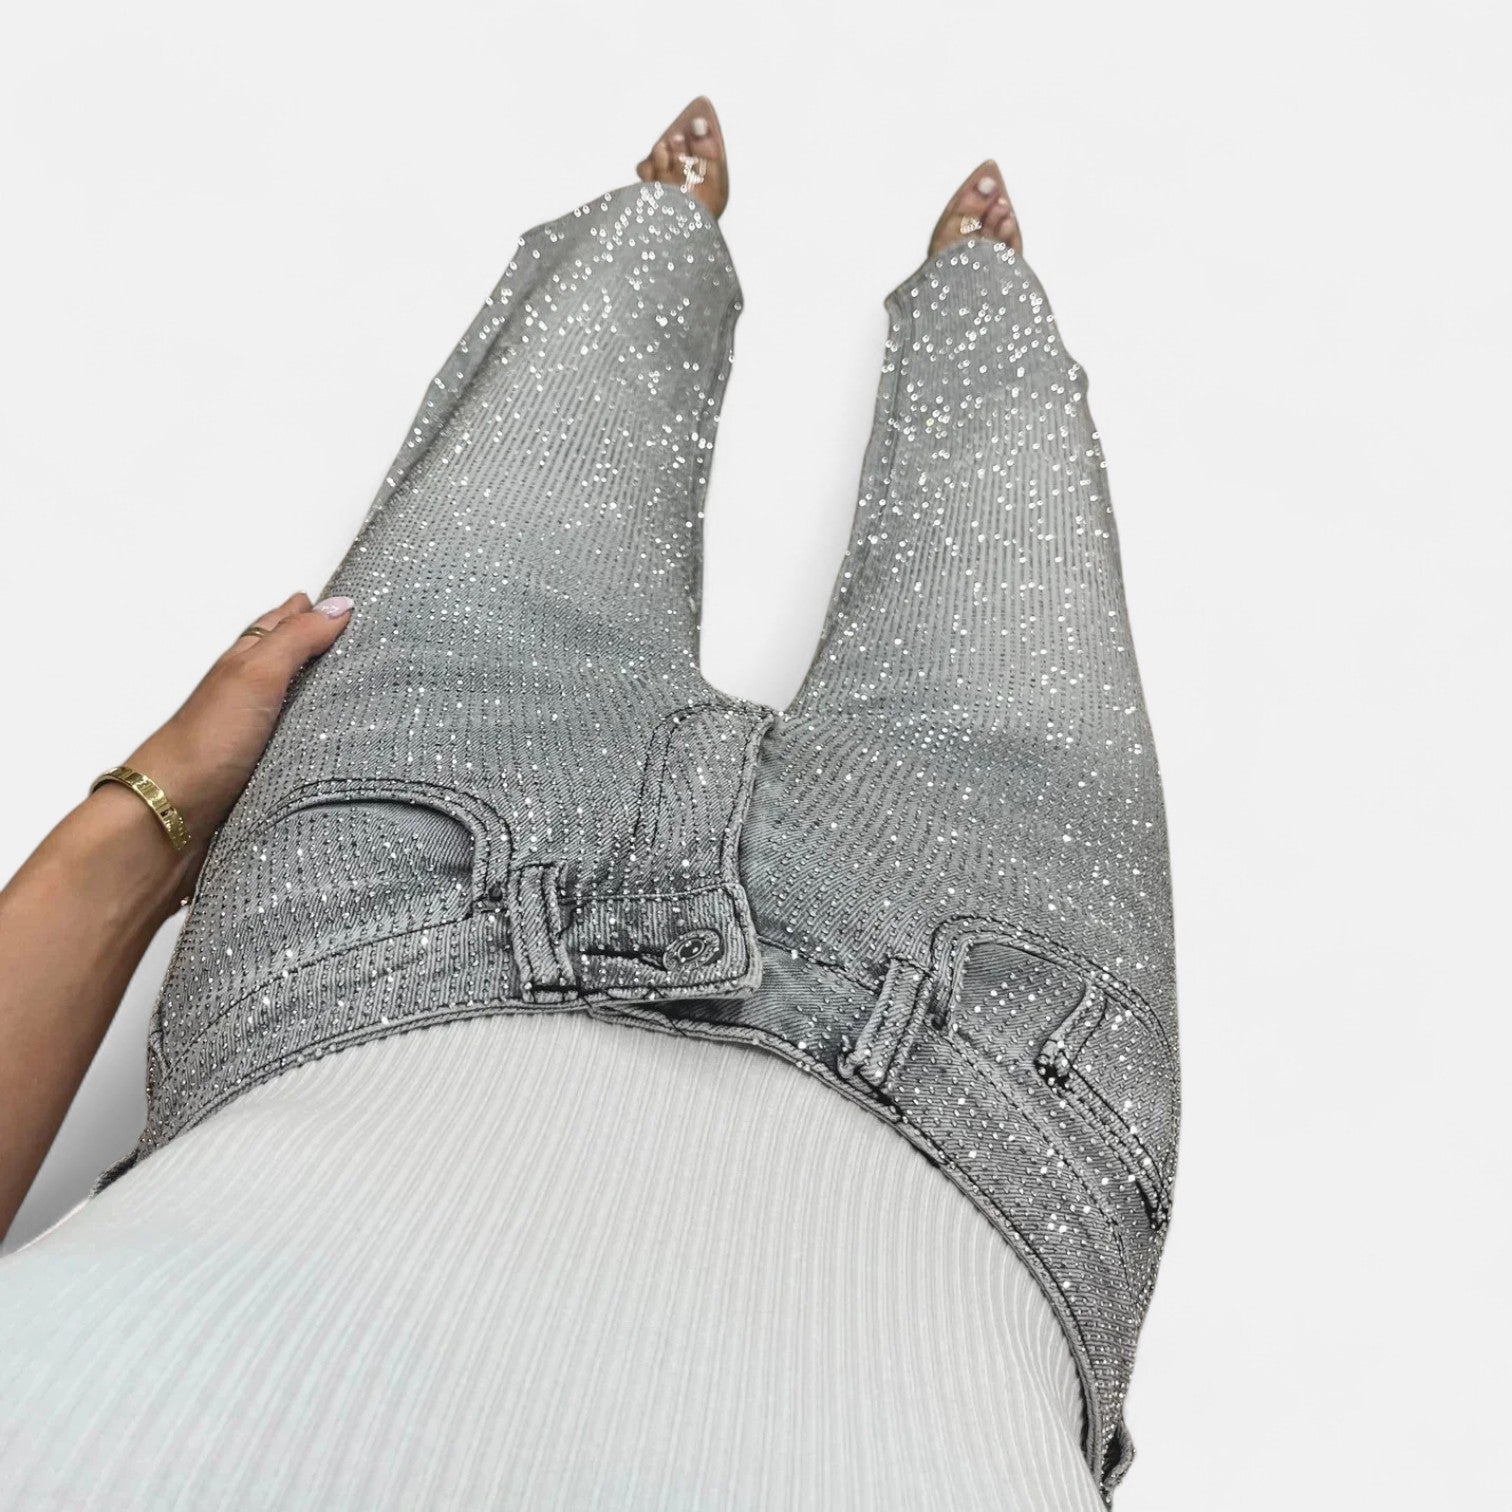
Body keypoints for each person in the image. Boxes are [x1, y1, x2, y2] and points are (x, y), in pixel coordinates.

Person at [0, 95, 1176, 1509]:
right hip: (1005, 1062)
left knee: (605, 308)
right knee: (1014, 426)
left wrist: (152, 813)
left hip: (389, 894)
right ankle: (981, 289)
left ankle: (663, 219)